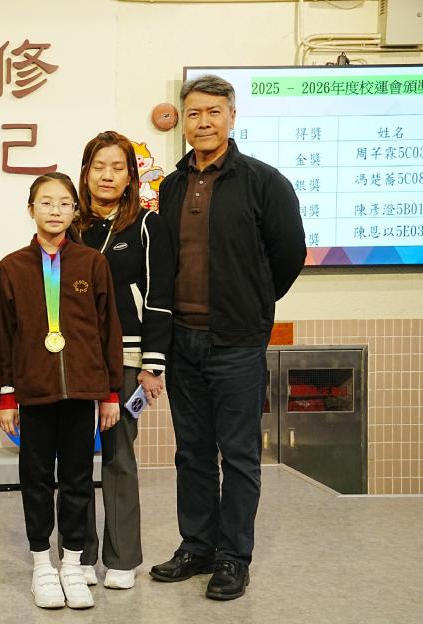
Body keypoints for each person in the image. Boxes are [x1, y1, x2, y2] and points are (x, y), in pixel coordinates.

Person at [150, 75, 305, 600]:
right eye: (194, 113)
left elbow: (289, 254)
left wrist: (253, 304)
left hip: (237, 342)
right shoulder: (171, 187)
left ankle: (233, 557)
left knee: (238, 455)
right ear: (183, 122)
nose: (203, 122)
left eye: (213, 112)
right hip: (182, 341)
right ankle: (197, 546)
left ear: (232, 117)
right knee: (191, 452)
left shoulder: (263, 182)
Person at [0, 172, 123, 610]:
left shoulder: (92, 263)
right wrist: (6, 395)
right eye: (46, 202)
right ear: (31, 209)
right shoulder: (12, 267)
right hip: (33, 392)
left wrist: (109, 392)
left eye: (64, 203)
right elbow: (4, 335)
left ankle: (71, 563)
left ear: (75, 211)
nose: (55, 210)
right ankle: (40, 564)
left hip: (82, 392)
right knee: (35, 480)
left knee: (77, 480)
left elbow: (108, 330)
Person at [73, 131, 175, 590]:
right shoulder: (70, 225)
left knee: (118, 456)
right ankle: (78, 555)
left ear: (132, 176)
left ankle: (122, 558)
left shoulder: (147, 225)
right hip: (74, 359)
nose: (107, 175)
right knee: (74, 458)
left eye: (117, 167)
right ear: (85, 173)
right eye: (99, 167)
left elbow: (159, 297)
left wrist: (153, 365)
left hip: (128, 358)